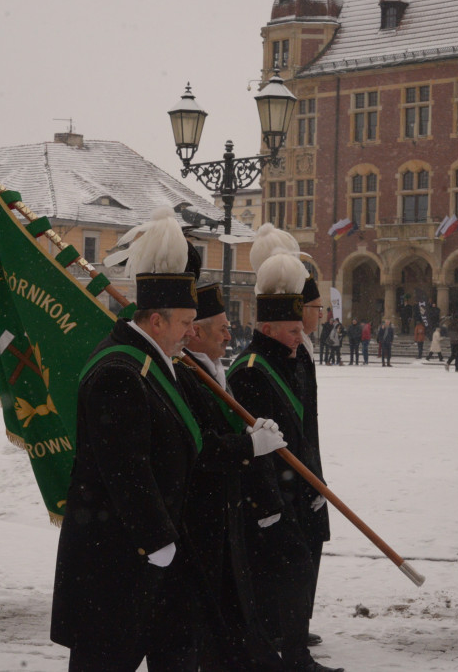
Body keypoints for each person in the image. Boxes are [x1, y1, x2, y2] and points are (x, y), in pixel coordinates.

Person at [51, 207, 203, 670]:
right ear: (156, 322)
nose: (192, 332)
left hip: (151, 557)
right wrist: (157, 538)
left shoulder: (152, 363)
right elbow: (125, 469)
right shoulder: (120, 372)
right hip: (116, 562)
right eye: (185, 323)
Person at [228, 255, 343, 672]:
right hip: (270, 494)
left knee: (296, 572)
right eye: (293, 331)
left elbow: (303, 432)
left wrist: (314, 484)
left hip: (297, 486)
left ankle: (290, 649)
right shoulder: (251, 371)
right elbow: (256, 447)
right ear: (268, 329)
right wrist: (269, 505)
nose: (300, 337)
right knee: (281, 574)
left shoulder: (290, 360)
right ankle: (287, 653)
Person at [177, 282, 287, 671]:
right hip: (201, 514)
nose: (229, 335)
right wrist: (248, 445)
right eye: (222, 328)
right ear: (195, 332)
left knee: (232, 610)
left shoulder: (213, 369)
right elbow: (199, 445)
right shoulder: (184, 373)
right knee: (209, 618)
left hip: (226, 510)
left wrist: (252, 435)